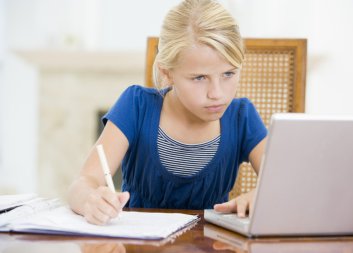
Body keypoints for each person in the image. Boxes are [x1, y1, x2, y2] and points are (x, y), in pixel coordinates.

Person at [68, 0, 267, 225]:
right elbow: (83, 182)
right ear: (167, 72)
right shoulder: (136, 106)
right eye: (199, 78)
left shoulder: (243, 117)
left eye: (229, 74)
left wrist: (265, 196)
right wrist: (90, 200)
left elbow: (285, 185)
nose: (217, 93)